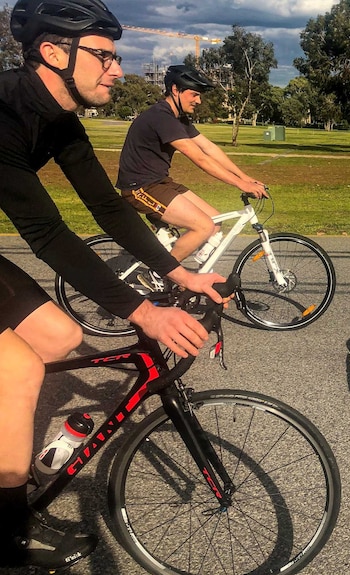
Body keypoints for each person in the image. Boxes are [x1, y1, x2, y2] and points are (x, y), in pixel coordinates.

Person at [0, 0, 226, 569]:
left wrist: (181, 273)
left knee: (55, 339)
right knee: (20, 368)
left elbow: (106, 207)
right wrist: (143, 313)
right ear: (53, 53)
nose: (118, 69)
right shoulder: (2, 111)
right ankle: (4, 533)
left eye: (116, 56)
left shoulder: (59, 119)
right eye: (103, 55)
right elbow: (47, 234)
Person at [116, 63, 268, 289]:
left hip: (160, 182)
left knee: (215, 222)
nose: (199, 101)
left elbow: (209, 148)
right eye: (194, 94)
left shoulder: (178, 119)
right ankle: (157, 275)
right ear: (175, 90)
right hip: (140, 188)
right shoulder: (161, 117)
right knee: (204, 226)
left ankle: (186, 270)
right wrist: (239, 184)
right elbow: (199, 158)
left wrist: (245, 177)